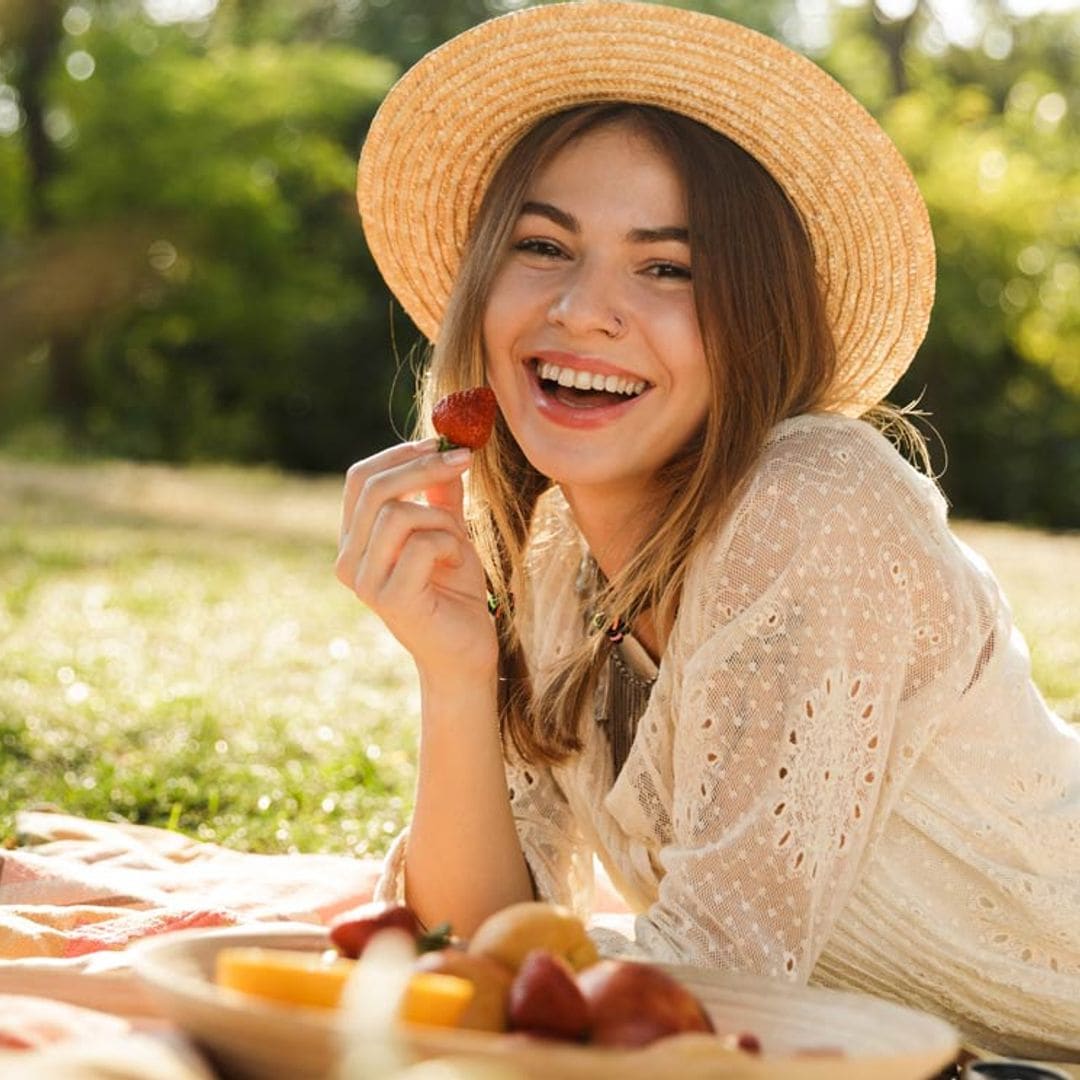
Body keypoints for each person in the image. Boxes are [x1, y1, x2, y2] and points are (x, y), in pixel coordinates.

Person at [335, 1, 1080, 1060]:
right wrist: (455, 676)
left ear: (757, 318)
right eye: (544, 246)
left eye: (667, 267)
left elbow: (708, 997)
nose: (584, 310)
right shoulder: (558, 572)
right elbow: (484, 947)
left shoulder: (816, 501)